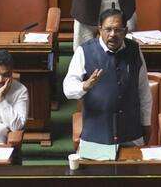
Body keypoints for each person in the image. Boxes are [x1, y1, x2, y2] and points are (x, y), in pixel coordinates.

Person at [63, 8, 152, 147]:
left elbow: (143, 90)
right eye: (108, 29)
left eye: (117, 30)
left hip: (131, 134)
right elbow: (68, 88)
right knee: (95, 170)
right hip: (95, 136)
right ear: (100, 30)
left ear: (126, 30)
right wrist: (84, 86)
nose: (112, 34)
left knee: (134, 169)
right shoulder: (84, 51)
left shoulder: (134, 50)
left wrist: (146, 123)